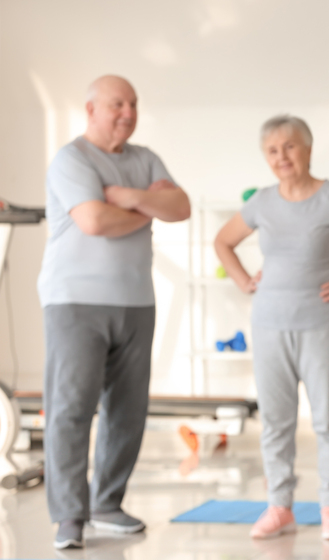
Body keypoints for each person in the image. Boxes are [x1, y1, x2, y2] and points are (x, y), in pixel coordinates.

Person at [214, 115, 329, 540]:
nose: (282, 157)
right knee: (276, 422)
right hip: (268, 326)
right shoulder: (262, 202)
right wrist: (243, 279)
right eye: (273, 150)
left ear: (308, 148)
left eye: (290, 146)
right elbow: (222, 241)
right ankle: (279, 507)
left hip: (322, 326)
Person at [37, 75, 191, 549]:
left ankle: (107, 504)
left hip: (136, 301)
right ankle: (69, 515)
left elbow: (181, 206)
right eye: (116, 103)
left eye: (133, 103)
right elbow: (94, 220)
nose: (127, 111)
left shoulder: (144, 158)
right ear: (91, 110)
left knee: (127, 412)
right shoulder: (72, 158)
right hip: (74, 301)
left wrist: (126, 196)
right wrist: (150, 206)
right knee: (71, 408)